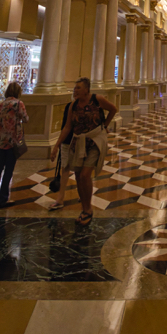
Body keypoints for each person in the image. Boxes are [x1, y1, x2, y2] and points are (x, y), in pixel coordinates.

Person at [49, 78, 118, 225]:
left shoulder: (97, 99)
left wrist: (105, 125)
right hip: (79, 143)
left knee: (86, 174)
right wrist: (56, 146)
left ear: (86, 89)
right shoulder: (73, 105)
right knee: (79, 176)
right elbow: (67, 127)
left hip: (94, 141)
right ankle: (84, 208)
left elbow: (113, 109)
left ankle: (88, 209)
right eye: (75, 88)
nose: (75, 90)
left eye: (78, 88)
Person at [0, 82, 28, 208]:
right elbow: (26, 119)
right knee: (8, 170)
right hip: (13, 142)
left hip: (1, 141)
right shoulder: (18, 104)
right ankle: (3, 198)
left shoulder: (2, 104)